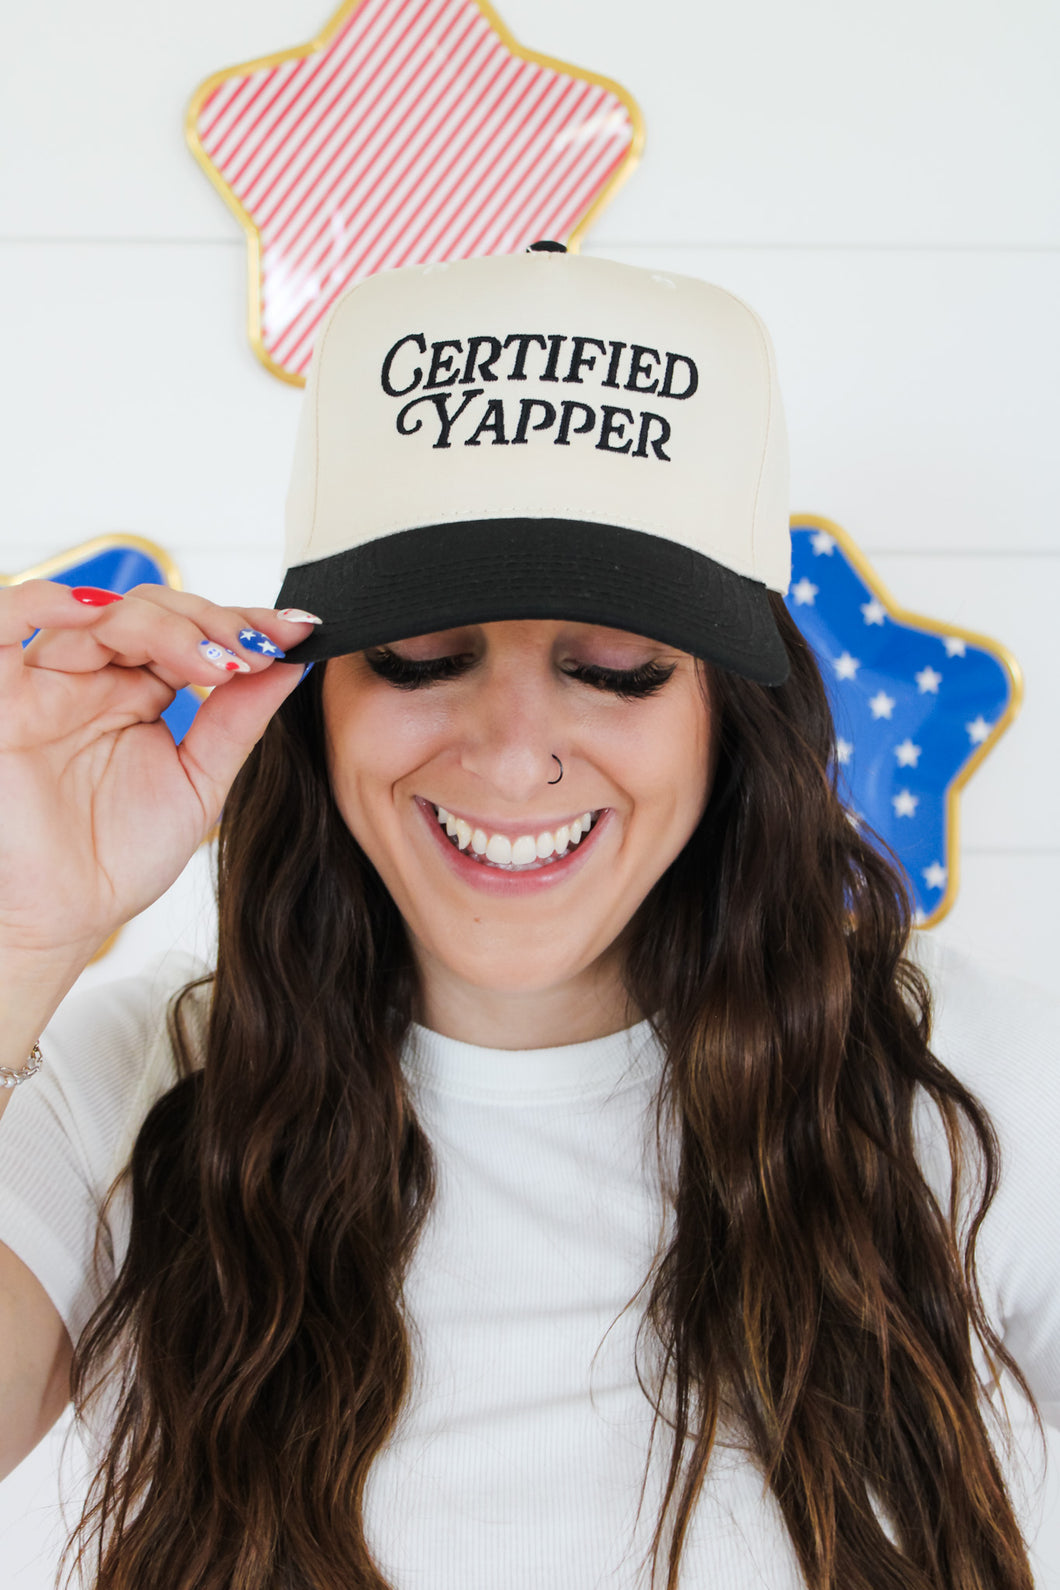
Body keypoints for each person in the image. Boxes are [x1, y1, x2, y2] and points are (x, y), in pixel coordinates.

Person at [0, 247, 1056, 1590]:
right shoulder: (125, 1085)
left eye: (614, 669)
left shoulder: (968, 1077)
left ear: (728, 714)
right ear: (307, 692)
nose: (511, 756)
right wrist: (18, 939)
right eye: (421, 659)